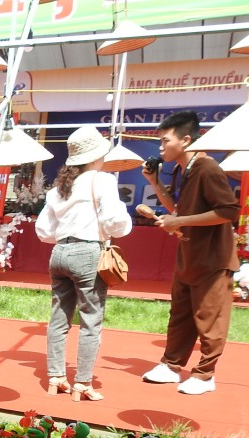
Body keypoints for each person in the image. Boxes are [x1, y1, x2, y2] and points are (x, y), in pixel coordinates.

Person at [140, 110, 240, 395]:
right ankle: (171, 366)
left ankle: (205, 374)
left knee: (209, 318)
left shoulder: (207, 167)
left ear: (185, 140)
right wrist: (154, 182)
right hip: (189, 252)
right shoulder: (185, 169)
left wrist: (179, 221)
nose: (160, 148)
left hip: (212, 257)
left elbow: (228, 211)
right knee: (181, 314)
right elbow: (177, 209)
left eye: (164, 141)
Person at [35, 125, 132, 402]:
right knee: (91, 319)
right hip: (88, 252)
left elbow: (43, 230)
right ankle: (82, 383)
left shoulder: (59, 189)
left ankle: (55, 377)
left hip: (59, 252)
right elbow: (116, 223)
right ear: (97, 155)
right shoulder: (102, 181)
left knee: (58, 318)